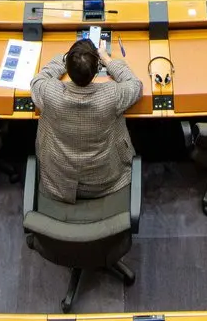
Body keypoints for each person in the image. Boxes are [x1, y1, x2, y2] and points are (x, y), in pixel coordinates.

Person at [29, 38, 142, 204]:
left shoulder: (49, 92)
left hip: (59, 181)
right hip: (105, 181)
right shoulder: (111, 95)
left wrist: (65, 59)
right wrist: (107, 59)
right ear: (97, 70)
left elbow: (37, 81)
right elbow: (135, 85)